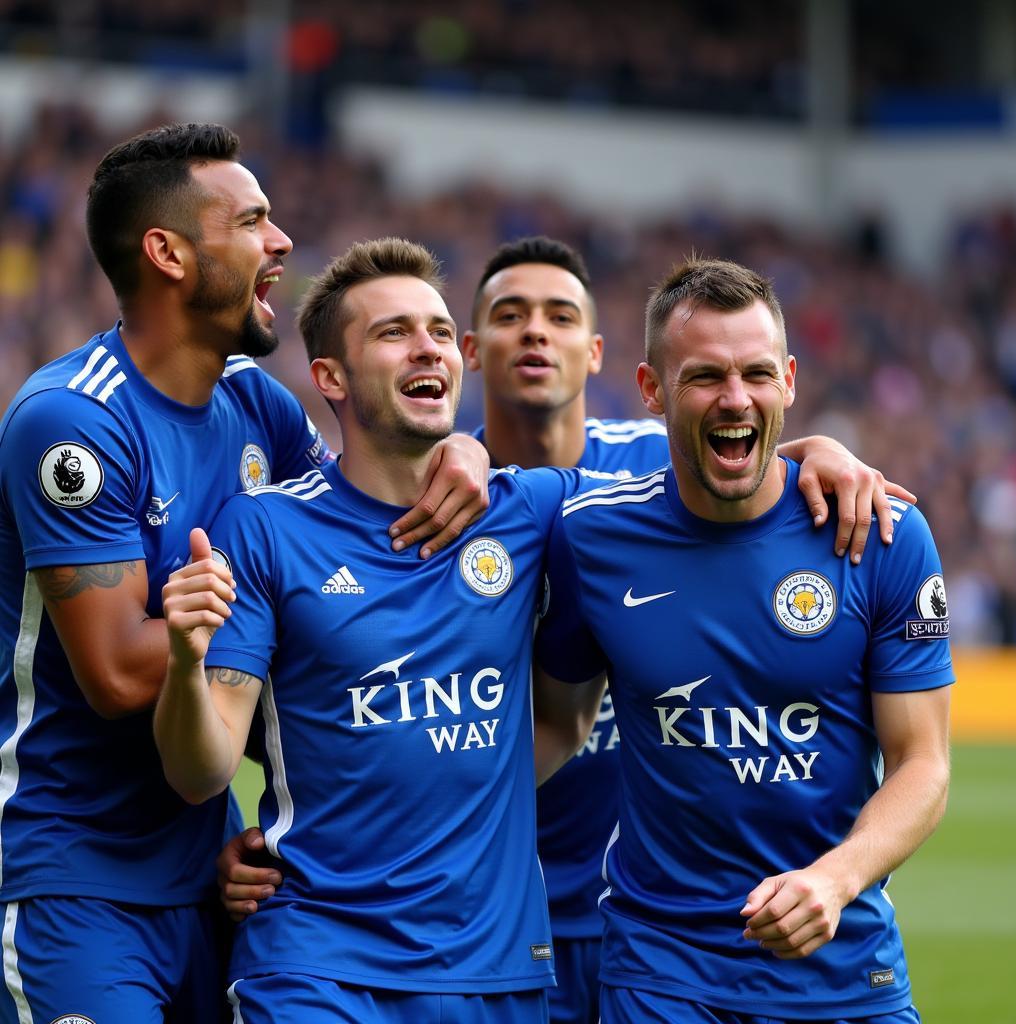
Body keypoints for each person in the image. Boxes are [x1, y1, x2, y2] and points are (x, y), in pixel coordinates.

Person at [217, 235, 915, 1024]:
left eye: (559, 314)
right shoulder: (451, 504)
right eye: (509, 315)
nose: (536, 333)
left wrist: (821, 452)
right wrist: (316, 837)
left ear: (600, 353)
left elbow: (737, 463)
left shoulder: (620, 482)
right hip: (540, 937)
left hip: (579, 931)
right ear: (478, 351)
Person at [0, 125, 487, 1023]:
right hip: (82, 881)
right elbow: (113, 675)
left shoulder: (257, 404)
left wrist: (462, 449)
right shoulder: (71, 423)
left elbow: (349, 525)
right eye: (254, 221)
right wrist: (269, 616)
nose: (283, 241)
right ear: (169, 253)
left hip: (226, 870)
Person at [154, 237, 606, 1022]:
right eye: (393, 332)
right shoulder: (263, 529)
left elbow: (707, 496)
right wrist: (187, 661)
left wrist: (817, 452)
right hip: (317, 968)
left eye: (438, 330)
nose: (427, 346)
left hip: (496, 974)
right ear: (330, 376)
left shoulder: (529, 510)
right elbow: (201, 771)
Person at [535, 256, 953, 1024]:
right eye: (704, 377)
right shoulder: (589, 535)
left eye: (757, 374)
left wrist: (832, 880)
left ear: (790, 381)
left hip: (843, 968)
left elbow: (923, 764)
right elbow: (554, 724)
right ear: (652, 390)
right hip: (661, 972)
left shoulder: (885, 534)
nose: (736, 398)